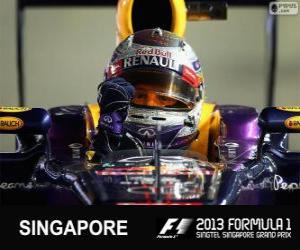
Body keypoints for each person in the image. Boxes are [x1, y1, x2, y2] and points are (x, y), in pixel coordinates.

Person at [91, 28, 207, 161]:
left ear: (196, 97)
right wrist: (102, 151)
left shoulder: (216, 129)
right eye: (138, 95)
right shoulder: (85, 126)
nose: (150, 104)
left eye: (164, 98)